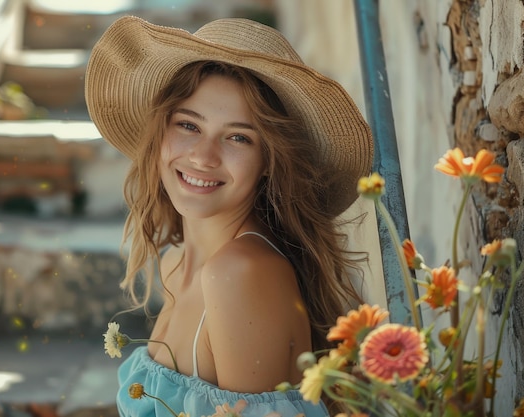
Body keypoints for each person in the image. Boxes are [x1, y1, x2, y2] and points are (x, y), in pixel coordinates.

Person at [85, 15, 373, 417]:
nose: (203, 157)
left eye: (238, 137)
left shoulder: (239, 273)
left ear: (270, 159)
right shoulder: (175, 264)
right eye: (188, 125)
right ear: (160, 134)